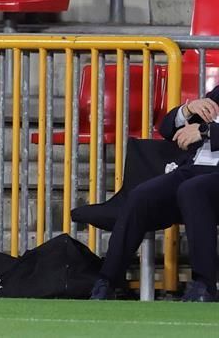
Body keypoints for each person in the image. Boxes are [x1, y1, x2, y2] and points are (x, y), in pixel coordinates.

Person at [90, 86, 219, 301]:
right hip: (192, 170)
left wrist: (206, 131)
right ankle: (107, 280)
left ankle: (204, 285)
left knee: (193, 190)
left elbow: (203, 130)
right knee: (141, 195)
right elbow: (166, 129)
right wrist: (187, 110)